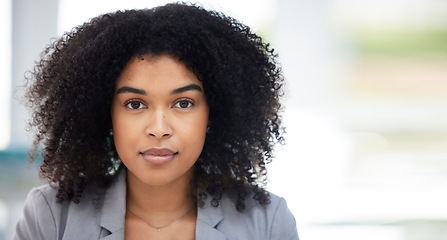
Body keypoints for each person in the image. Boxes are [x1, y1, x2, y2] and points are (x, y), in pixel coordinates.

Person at [13, 2, 299, 240]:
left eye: (183, 103)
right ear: (106, 113)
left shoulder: (268, 222)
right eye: (135, 104)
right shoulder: (50, 216)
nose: (159, 129)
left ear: (213, 113)